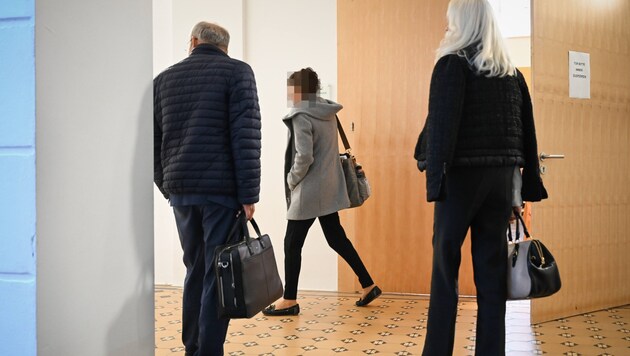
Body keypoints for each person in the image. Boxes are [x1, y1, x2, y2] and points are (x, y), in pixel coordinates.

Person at [414, 1, 548, 355]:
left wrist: (433, 181)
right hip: (501, 183)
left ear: (460, 21)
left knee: (445, 272)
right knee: (491, 276)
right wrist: (525, 185)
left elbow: (441, 128)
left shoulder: (452, 65)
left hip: (460, 179)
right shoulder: (511, 73)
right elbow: (526, 134)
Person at [153, 22, 261, 356]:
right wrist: (249, 196)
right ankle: (208, 351)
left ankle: (193, 347)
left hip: (182, 191)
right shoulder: (237, 72)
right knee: (219, 273)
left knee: (195, 270)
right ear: (225, 47)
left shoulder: (163, 80)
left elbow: (152, 141)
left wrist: (167, 185)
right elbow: (246, 138)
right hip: (222, 193)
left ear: (193, 41)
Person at [262, 68, 381, 316]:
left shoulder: (301, 115)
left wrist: (291, 180)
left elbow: (304, 156)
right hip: (329, 187)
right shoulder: (328, 112)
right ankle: (368, 284)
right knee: (336, 238)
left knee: (292, 243)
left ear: (298, 90)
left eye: (290, 88)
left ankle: (289, 299)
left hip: (309, 190)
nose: (288, 93)